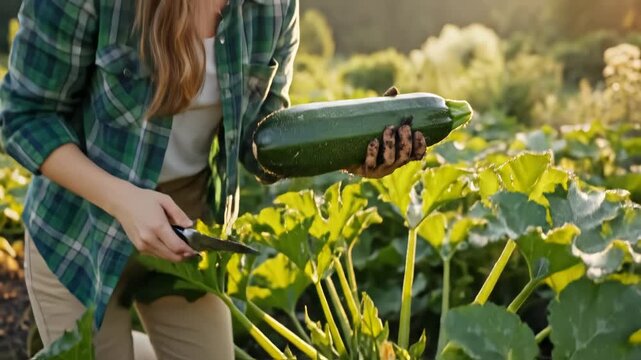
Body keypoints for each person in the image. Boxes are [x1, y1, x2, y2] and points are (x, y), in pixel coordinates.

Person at [0, 0, 427, 359]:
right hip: (80, 226)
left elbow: (259, 141)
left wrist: (350, 153)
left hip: (187, 225)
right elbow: (23, 118)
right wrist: (124, 201)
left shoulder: (275, 6)